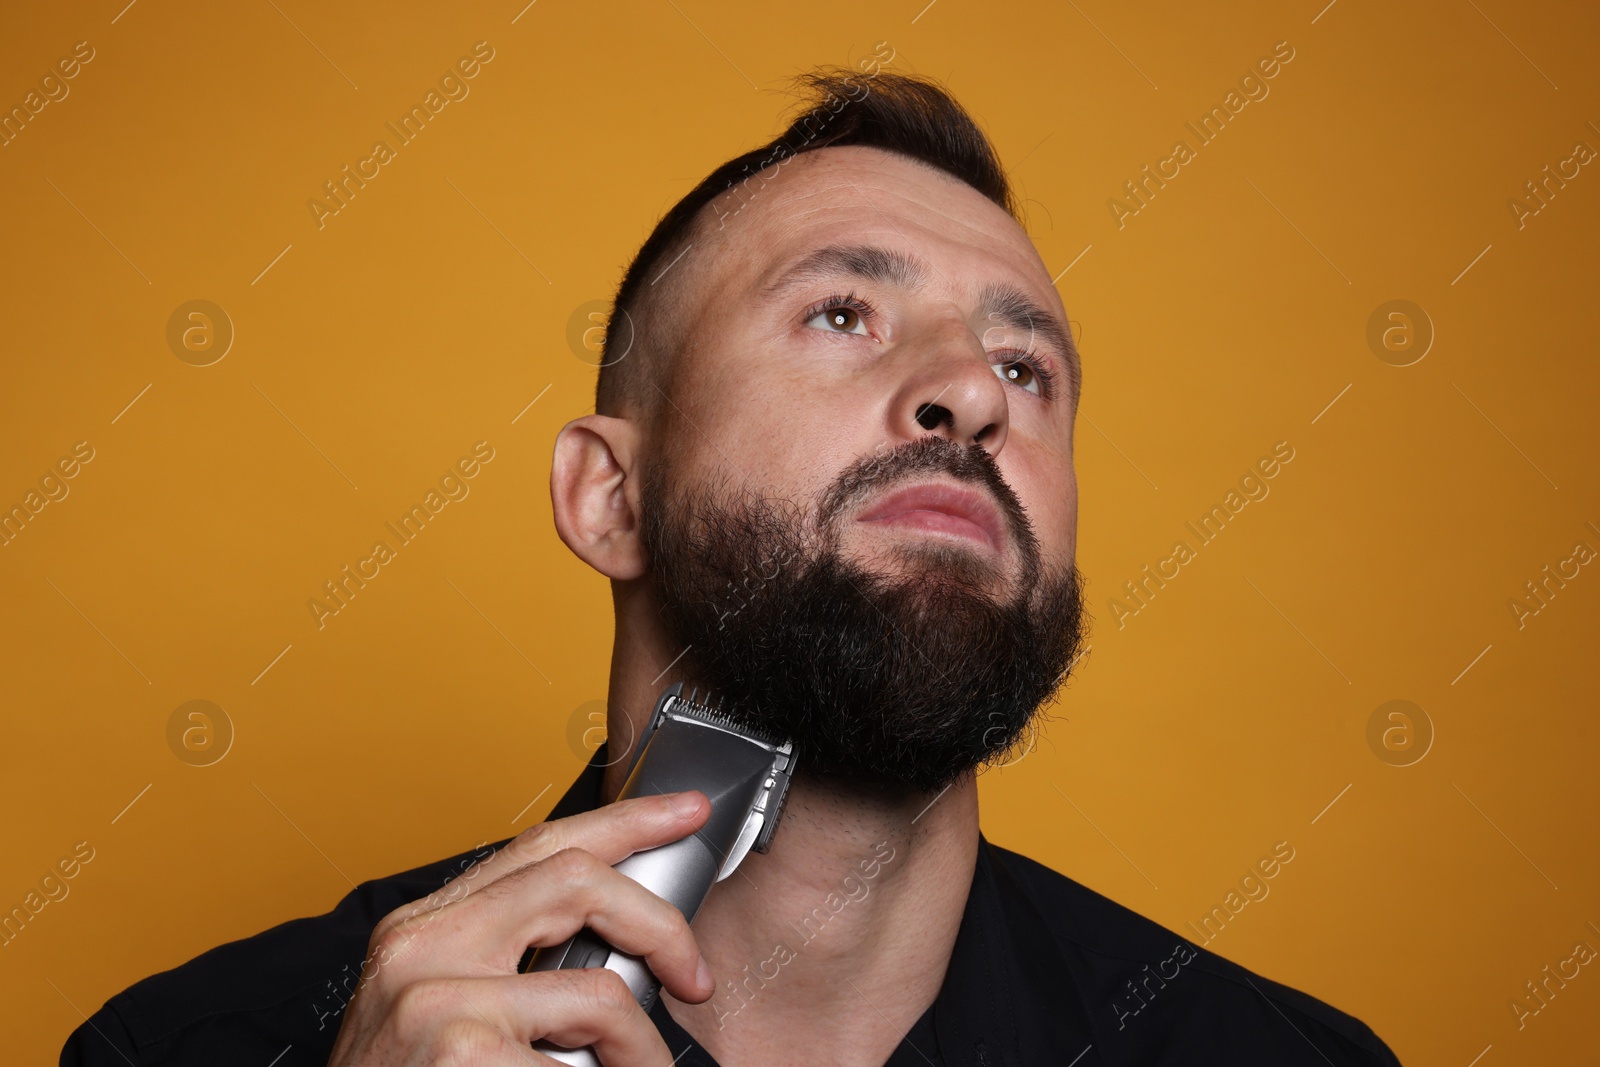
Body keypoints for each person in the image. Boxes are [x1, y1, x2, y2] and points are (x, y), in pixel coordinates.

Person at [61, 68, 1402, 1066]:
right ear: (609, 497)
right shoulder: (197, 1048)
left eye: (1023, 366)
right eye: (842, 313)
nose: (968, 396)